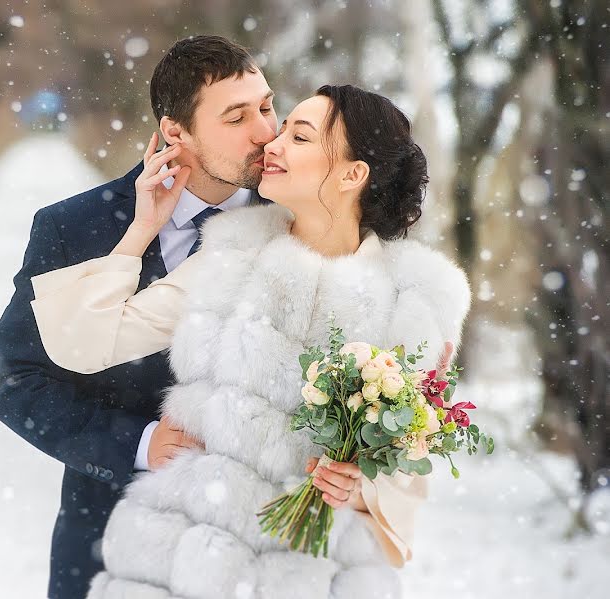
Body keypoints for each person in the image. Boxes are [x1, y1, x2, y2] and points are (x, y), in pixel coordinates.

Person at [30, 84, 472, 598]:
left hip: (314, 574)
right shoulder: (230, 250)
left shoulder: (417, 300)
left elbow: (410, 461)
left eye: (299, 136)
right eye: (282, 128)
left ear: (354, 174)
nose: (273, 144)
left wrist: (360, 487)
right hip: (178, 563)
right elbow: (86, 341)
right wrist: (143, 227)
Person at [0, 35, 280, 599]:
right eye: (237, 117)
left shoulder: (299, 227)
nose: (265, 132)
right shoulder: (73, 229)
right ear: (176, 132)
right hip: (108, 540)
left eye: (266, 106)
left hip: (253, 553)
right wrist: (138, 444)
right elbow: (17, 383)